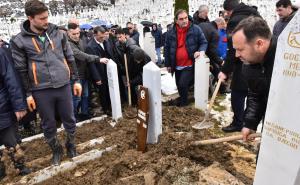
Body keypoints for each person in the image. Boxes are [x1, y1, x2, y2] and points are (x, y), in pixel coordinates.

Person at [11, 0, 82, 165]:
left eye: (47, 17)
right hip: (41, 90)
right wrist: (28, 94)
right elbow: (21, 70)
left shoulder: (59, 34)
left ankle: (71, 144)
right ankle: (56, 150)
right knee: (48, 124)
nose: (46, 21)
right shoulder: (19, 41)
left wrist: (76, 80)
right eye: (42, 18)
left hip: (63, 85)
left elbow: (69, 57)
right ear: (30, 18)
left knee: (70, 119)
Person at [231, 16, 277, 141]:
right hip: (271, 125)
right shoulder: (249, 64)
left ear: (259, 44)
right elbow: (256, 94)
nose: (237, 55)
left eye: (240, 49)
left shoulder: (287, 60)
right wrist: (250, 123)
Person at [218, 0, 260, 132]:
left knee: (237, 93)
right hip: (258, 61)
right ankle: (248, 124)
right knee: (252, 93)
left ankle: (238, 123)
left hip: (244, 62)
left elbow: (233, 50)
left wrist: (225, 71)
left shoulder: (235, 20)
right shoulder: (255, 13)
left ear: (228, 11)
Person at [164, 9, 207, 107]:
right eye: (181, 19)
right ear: (176, 21)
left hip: (190, 64)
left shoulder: (195, 29)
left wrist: (200, 51)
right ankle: (183, 100)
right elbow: (167, 48)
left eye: (186, 18)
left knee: (183, 84)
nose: (184, 20)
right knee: (179, 86)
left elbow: (203, 42)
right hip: (177, 65)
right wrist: (168, 64)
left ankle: (184, 105)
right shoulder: (170, 33)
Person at [0, 48, 31, 177]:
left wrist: (19, 105)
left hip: (1, 107)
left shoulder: (1, 53)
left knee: (10, 140)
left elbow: (11, 79)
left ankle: (21, 168)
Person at [67, 23, 107, 121]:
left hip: (84, 74)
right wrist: (98, 59)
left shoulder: (81, 41)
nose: (76, 36)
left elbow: (86, 53)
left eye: (78, 33)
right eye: (74, 34)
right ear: (68, 33)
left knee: (85, 95)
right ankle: (73, 116)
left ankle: (84, 113)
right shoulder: (68, 44)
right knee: (76, 98)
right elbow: (81, 55)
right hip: (74, 76)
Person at [115, 28, 151, 105]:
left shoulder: (133, 48)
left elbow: (143, 72)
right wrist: (123, 69)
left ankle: (142, 105)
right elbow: (120, 60)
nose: (119, 39)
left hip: (136, 72)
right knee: (130, 88)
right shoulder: (118, 45)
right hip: (129, 71)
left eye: (120, 37)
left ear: (124, 35)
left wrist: (132, 82)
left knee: (139, 89)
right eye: (117, 37)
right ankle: (134, 105)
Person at [86, 26, 115, 115]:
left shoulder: (105, 42)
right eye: (100, 37)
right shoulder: (90, 47)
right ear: (95, 35)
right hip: (99, 72)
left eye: (103, 36)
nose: (103, 39)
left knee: (110, 89)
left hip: (108, 71)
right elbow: (91, 64)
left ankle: (112, 106)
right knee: (103, 92)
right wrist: (97, 78)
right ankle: (106, 109)